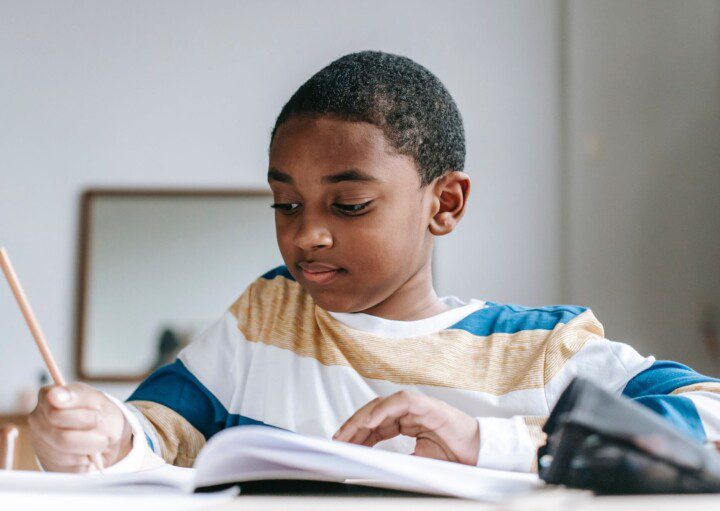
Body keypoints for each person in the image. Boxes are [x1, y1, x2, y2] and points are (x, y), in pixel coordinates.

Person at [28, 51, 720, 473]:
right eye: (286, 205)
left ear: (443, 203)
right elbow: (155, 428)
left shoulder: (535, 349)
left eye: (349, 204)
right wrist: (102, 432)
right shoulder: (267, 319)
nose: (308, 237)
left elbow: (708, 414)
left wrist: (487, 440)